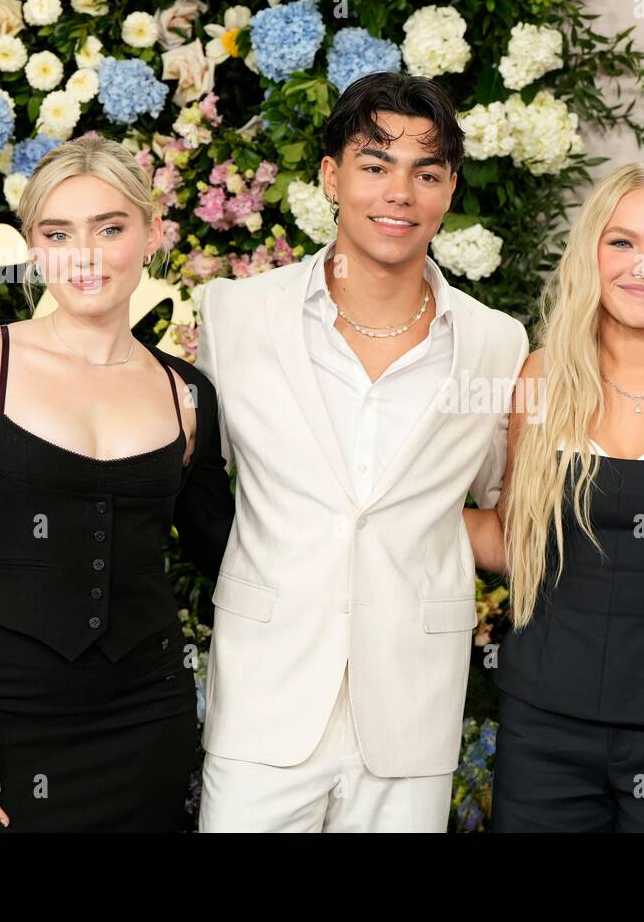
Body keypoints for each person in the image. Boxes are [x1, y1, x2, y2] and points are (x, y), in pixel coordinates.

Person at [193, 72, 529, 832]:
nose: (399, 192)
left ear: (448, 191)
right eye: (375, 164)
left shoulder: (495, 343)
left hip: (412, 712)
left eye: (427, 172)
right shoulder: (237, 315)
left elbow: (513, 515)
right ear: (330, 176)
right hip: (263, 703)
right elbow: (185, 483)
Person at [0, 134, 235, 832]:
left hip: (146, 715)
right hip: (1, 716)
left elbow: (228, 557)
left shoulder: (188, 392)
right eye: (58, 232)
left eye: (110, 228)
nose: (84, 254)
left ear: (150, 233)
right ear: (33, 246)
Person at [462, 162, 644, 831]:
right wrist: (403, 515)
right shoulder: (540, 378)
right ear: (591, 254)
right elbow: (515, 541)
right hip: (544, 727)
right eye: (622, 242)